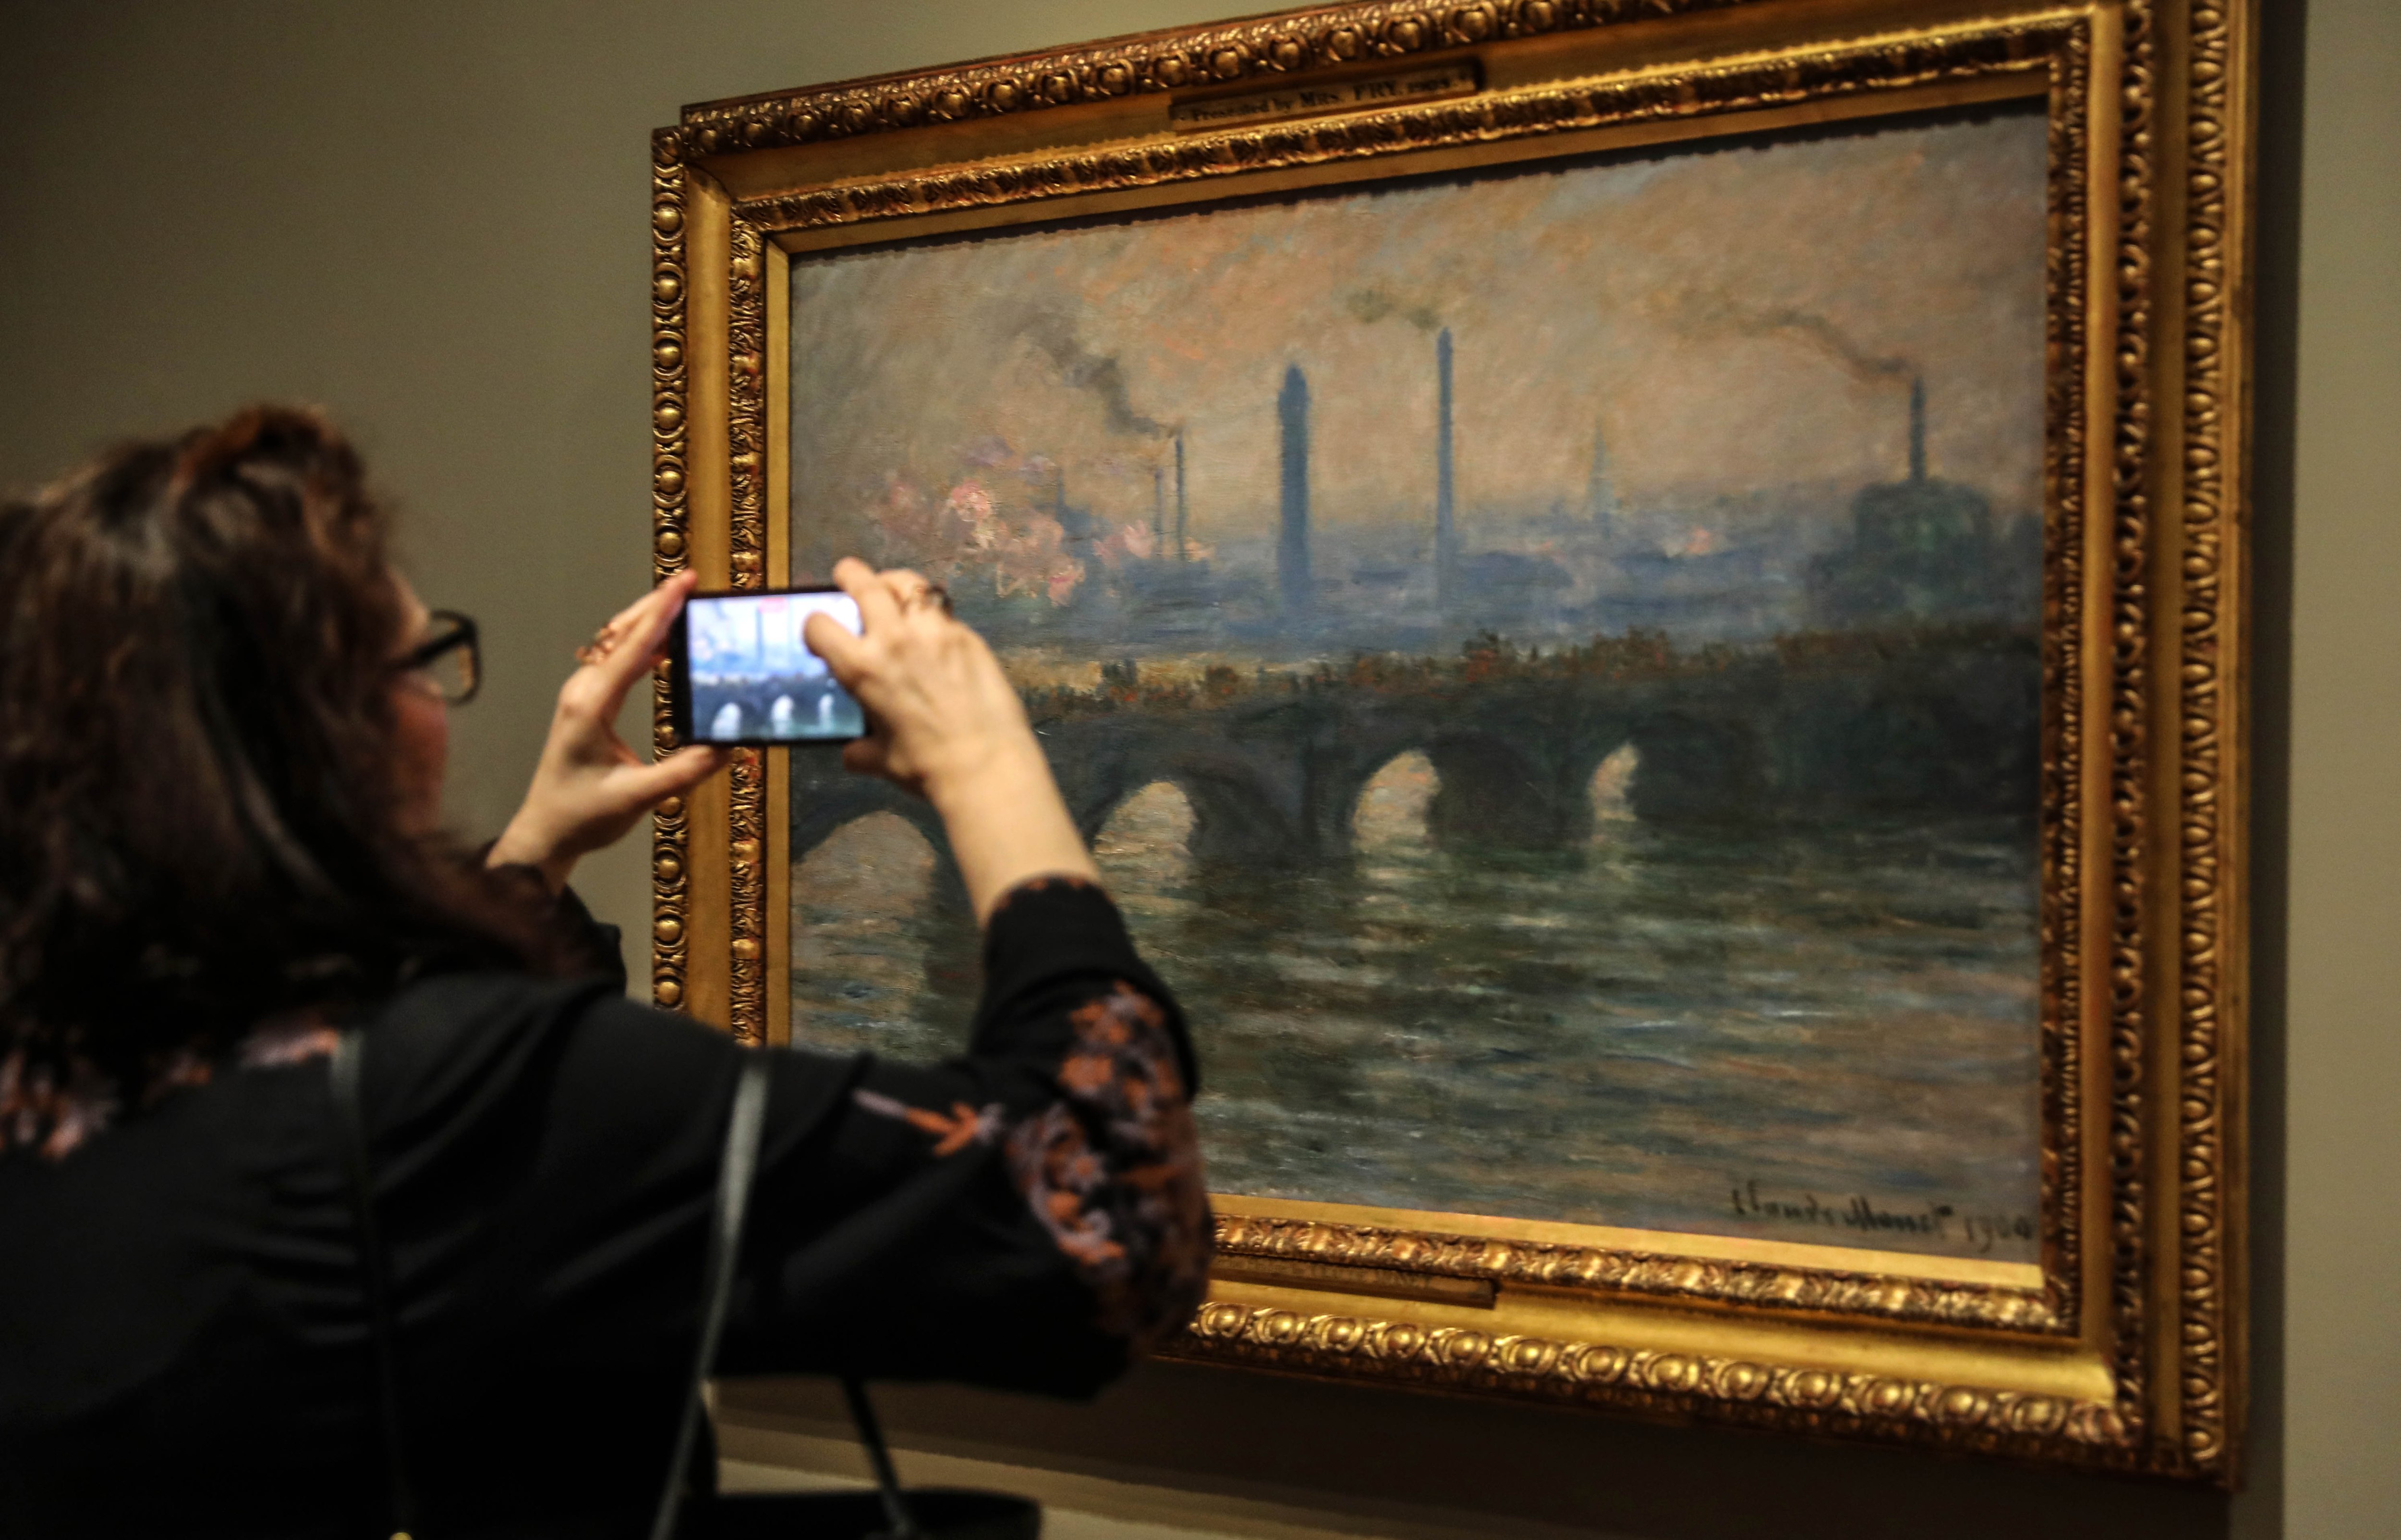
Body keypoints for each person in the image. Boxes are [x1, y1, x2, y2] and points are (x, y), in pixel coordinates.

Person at [0, 407, 1211, 1537]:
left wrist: (535, 849)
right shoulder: (476, 1094)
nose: (441, 704)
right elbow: (1105, 1219)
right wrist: (988, 758)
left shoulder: (59, 1041)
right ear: (320, 732)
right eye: (421, 659)